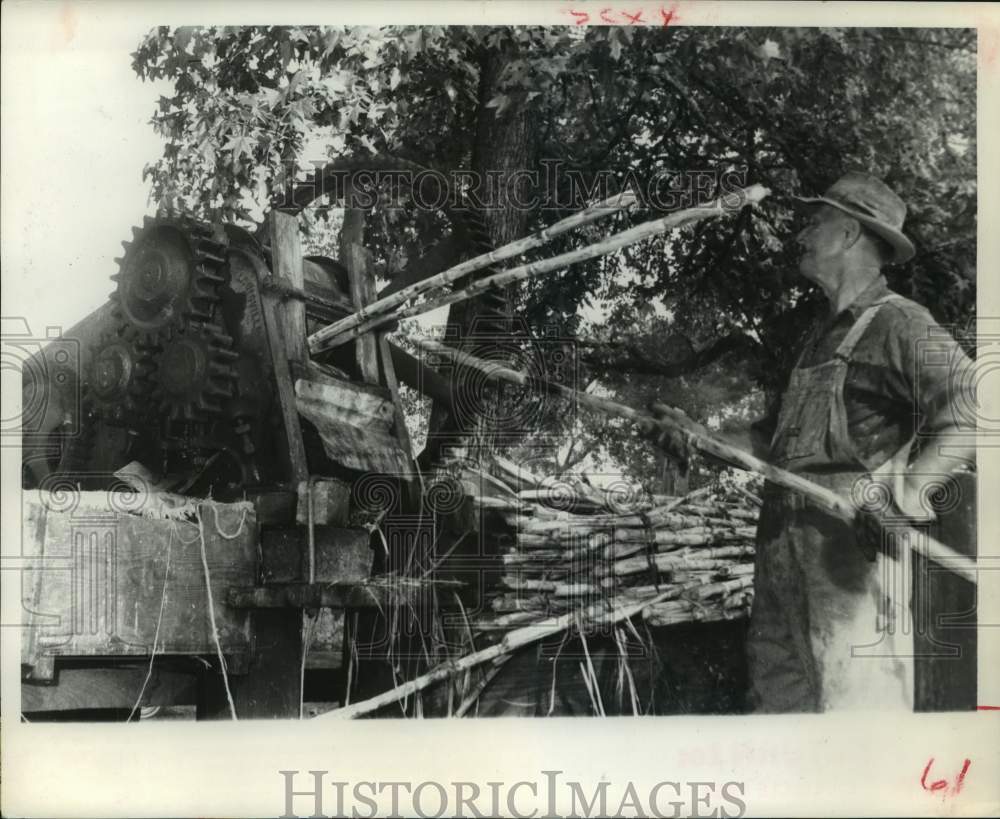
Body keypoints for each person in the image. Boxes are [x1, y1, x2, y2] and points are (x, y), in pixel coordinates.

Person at [643, 171, 976, 712]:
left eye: (813, 221)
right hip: (780, 559)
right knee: (778, 723)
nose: (800, 234)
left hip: (850, 562)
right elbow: (772, 443)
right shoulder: (815, 339)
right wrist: (699, 437)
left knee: (854, 725)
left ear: (848, 234)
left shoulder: (902, 324)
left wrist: (908, 496)